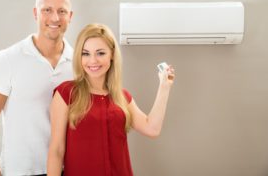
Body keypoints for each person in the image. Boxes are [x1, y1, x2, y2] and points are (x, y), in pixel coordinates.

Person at [47, 23, 175, 176]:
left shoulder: (122, 97)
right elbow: (57, 151)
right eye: (85, 53)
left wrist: (164, 86)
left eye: (100, 53)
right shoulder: (65, 93)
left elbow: (152, 129)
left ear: (112, 54)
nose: (92, 60)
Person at [0, 0, 74, 176]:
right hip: (20, 172)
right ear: (36, 13)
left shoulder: (81, 64)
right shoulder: (7, 60)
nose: (54, 18)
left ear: (70, 16)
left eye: (62, 11)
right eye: (47, 10)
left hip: (68, 169)